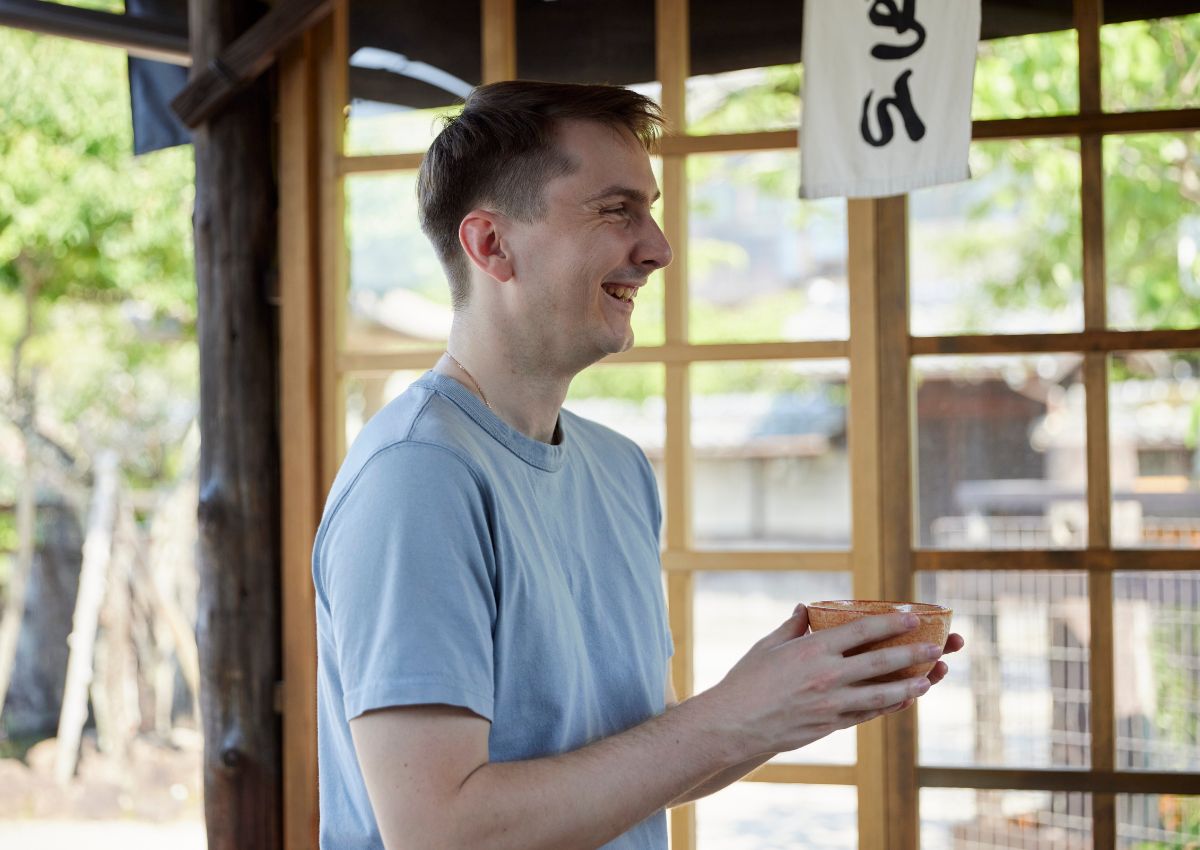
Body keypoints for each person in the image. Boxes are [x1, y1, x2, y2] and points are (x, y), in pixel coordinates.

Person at [313, 80, 964, 850]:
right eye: (616, 211)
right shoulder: (417, 476)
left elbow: (644, 762)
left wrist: (783, 700)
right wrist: (730, 718)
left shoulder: (618, 469)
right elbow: (440, 831)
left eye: (649, 211)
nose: (658, 249)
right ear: (491, 245)